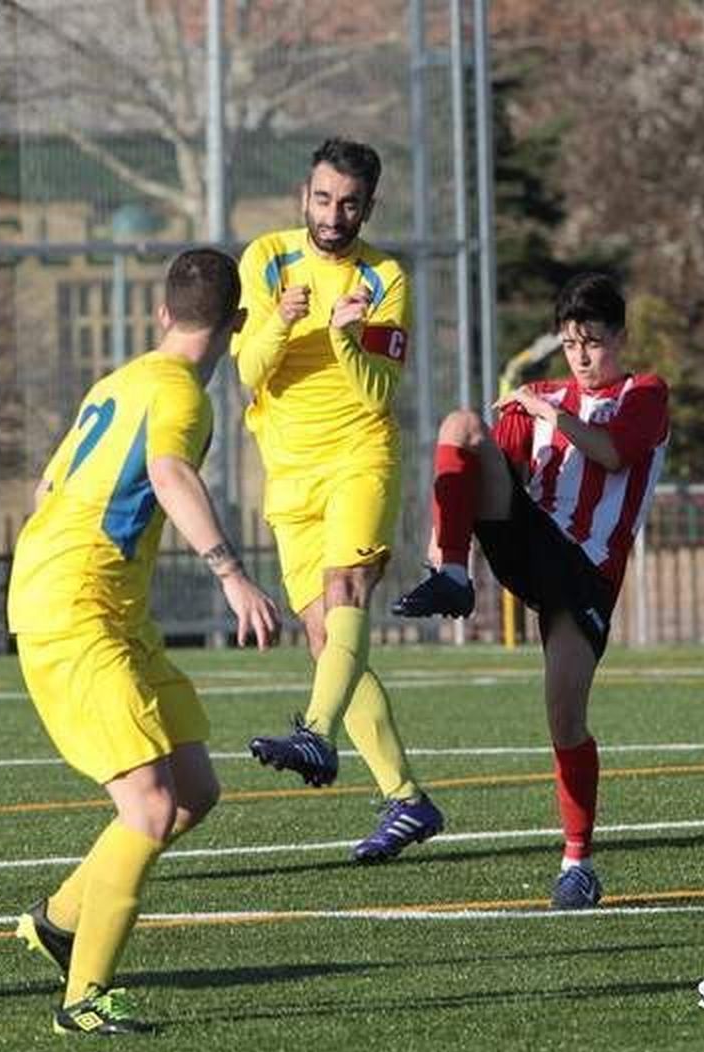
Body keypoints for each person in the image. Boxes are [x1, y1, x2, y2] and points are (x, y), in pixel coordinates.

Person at [7, 248, 280, 1036]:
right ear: (236, 325)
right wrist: (231, 574)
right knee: (151, 806)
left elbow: (46, 489)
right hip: (77, 609)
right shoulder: (183, 399)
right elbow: (167, 473)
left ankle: (59, 921)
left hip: (105, 607)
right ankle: (82, 1001)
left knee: (194, 791)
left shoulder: (119, 381)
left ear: (162, 314)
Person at [391, 273, 670, 909]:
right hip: (528, 540)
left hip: (587, 572)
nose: (580, 355)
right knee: (462, 423)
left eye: (593, 342)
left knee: (564, 716)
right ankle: (454, 576)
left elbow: (612, 455)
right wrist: (445, 539)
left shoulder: (645, 394)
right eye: (570, 342)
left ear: (620, 339)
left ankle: (578, 863)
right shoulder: (539, 394)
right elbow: (492, 464)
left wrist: (555, 413)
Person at [236, 137, 444, 862]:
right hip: (288, 475)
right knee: (327, 640)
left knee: (347, 585)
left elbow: (382, 389)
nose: (334, 214)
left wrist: (349, 339)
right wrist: (280, 322)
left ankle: (315, 736)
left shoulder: (384, 277)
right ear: (305, 196)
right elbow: (249, 370)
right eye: (323, 199)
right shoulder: (265, 258)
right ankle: (408, 802)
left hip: (362, 455)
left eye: (349, 202)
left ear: (368, 206)